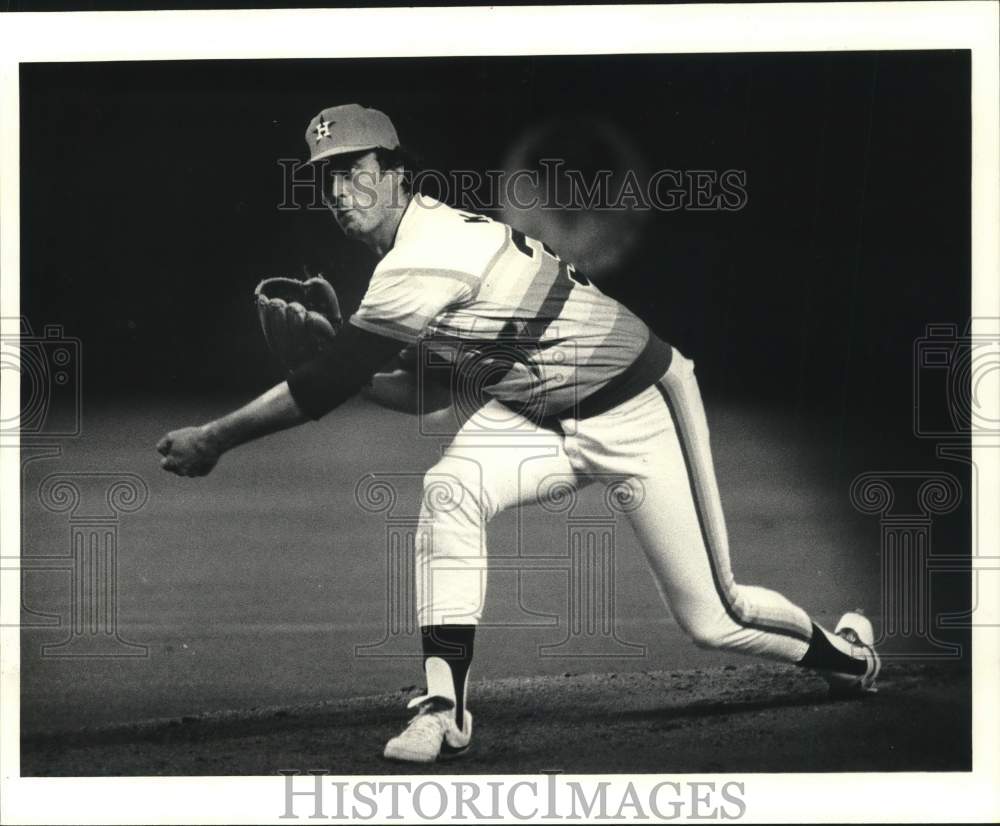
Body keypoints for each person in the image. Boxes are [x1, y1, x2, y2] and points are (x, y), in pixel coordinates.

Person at [157, 103, 880, 764]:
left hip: (637, 402)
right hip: (537, 414)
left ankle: (849, 659)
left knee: (713, 618)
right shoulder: (412, 253)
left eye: (353, 171)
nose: (340, 191)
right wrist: (339, 370)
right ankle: (443, 707)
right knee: (450, 488)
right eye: (326, 179)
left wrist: (217, 436)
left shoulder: (422, 255)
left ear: (397, 173)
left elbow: (322, 390)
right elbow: (425, 393)